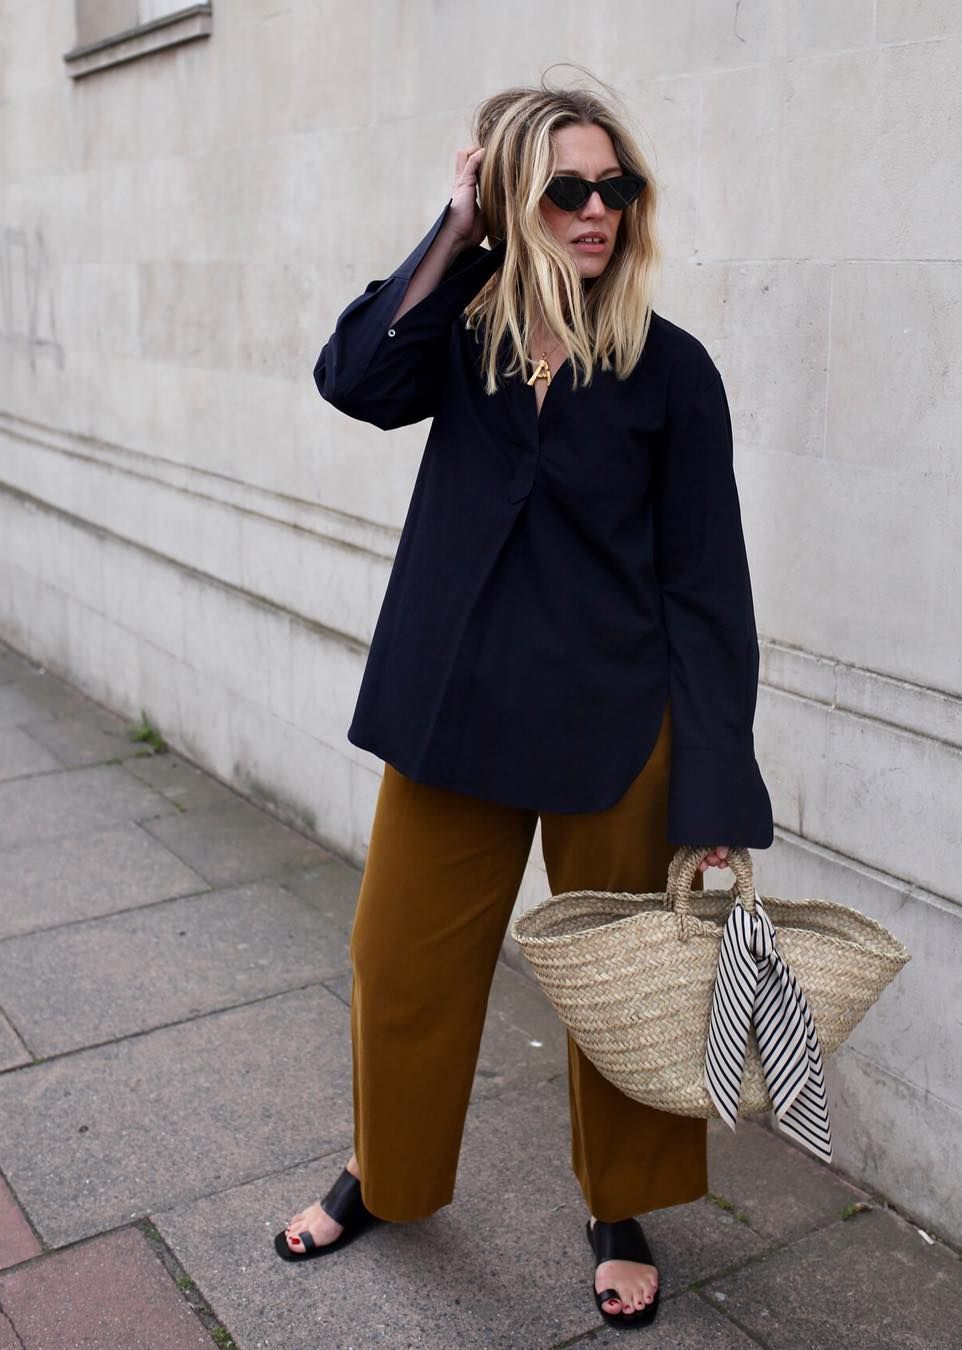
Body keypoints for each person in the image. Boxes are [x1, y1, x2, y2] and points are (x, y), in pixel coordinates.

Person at [276, 77, 774, 1331]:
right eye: (565, 190)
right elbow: (351, 376)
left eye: (616, 187)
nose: (598, 210)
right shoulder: (464, 335)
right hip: (454, 715)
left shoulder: (672, 372)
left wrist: (717, 789)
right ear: (512, 201)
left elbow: (709, 592)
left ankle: (622, 1205)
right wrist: (452, 225)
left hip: (617, 728)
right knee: (397, 964)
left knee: (624, 986)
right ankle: (385, 1173)